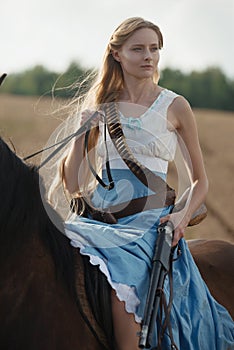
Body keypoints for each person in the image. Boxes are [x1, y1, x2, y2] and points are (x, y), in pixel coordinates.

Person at [51, 17, 234, 350]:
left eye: (154, 49)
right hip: (99, 217)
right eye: (138, 49)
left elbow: (199, 181)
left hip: (148, 220)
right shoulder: (101, 106)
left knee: (123, 289)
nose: (149, 56)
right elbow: (73, 184)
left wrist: (180, 217)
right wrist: (80, 137)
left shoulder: (175, 105)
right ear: (117, 54)